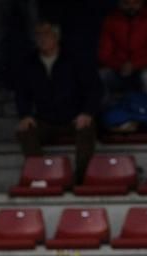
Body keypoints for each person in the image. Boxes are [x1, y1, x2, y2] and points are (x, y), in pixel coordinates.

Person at [14, 20, 101, 186]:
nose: (42, 39)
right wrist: (25, 114)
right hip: (46, 119)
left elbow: (94, 89)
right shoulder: (29, 63)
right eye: (38, 35)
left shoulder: (74, 59)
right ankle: (41, 175)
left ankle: (81, 178)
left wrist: (87, 112)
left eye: (46, 34)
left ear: (56, 37)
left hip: (74, 118)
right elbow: (21, 93)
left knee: (87, 128)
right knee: (25, 130)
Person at [98, 0, 147, 101]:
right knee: (102, 75)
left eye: (135, 3)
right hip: (118, 69)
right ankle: (107, 112)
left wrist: (134, 65)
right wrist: (120, 65)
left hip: (142, 68)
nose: (131, 7)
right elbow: (104, 54)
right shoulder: (111, 21)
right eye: (126, 3)